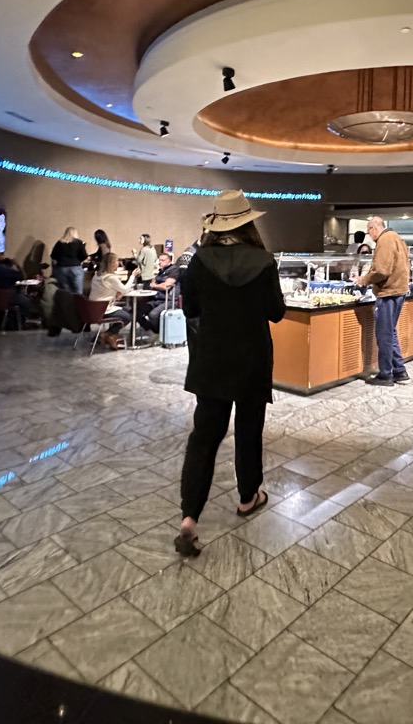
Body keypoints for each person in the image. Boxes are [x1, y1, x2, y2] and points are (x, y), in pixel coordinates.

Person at [175, 190, 286, 557]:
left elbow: (190, 307)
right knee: (249, 430)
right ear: (247, 223)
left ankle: (190, 518)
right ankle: (246, 497)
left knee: (204, 437)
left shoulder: (199, 262)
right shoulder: (264, 261)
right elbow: (276, 312)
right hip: (252, 360)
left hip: (211, 361)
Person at [354, 215, 411, 387]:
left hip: (388, 293)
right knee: (390, 333)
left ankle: (386, 374)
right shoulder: (397, 238)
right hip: (399, 291)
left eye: (368, 231)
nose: (369, 236)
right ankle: (400, 371)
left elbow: (381, 270)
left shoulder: (385, 240)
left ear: (373, 228)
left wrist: (363, 280)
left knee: (384, 335)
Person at [89, 252, 137, 350]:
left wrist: (115, 293)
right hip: (103, 309)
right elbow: (125, 289)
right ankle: (108, 334)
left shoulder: (97, 275)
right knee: (129, 316)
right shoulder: (111, 278)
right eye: (116, 260)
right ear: (111, 263)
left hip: (92, 308)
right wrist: (133, 276)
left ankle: (109, 335)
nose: (118, 263)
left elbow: (103, 290)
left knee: (127, 310)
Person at [137, 251, 182, 335]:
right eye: (159, 260)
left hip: (168, 300)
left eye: (162, 260)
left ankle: (160, 333)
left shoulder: (174, 270)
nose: (160, 262)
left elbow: (166, 286)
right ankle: (152, 330)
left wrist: (154, 285)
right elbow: (154, 282)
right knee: (136, 312)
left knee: (153, 315)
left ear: (169, 261)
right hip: (156, 299)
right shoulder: (160, 272)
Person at [50, 226, 87, 294]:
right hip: (75, 267)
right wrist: (78, 260)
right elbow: (84, 255)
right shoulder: (78, 242)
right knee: (78, 292)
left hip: (62, 268)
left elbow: (53, 255)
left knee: (65, 292)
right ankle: (77, 304)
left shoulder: (59, 243)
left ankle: (67, 304)